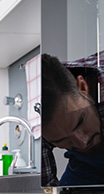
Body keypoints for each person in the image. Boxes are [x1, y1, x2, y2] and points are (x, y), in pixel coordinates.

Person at [41, 52, 104, 186]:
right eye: (63, 140)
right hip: (86, 168)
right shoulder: (35, 122)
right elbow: (46, 190)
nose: (83, 143)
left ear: (82, 87)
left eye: (80, 121)